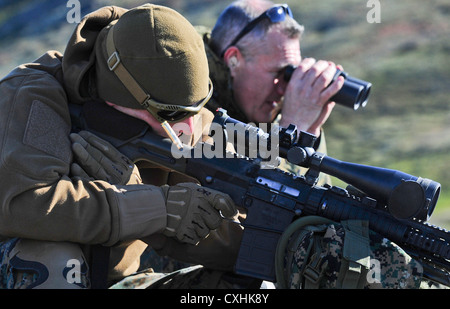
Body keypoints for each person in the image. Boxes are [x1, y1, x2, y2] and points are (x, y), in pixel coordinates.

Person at [0, 4, 246, 289]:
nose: (189, 130)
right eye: (169, 114)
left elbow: (233, 245)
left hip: (123, 281)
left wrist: (171, 216)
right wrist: (153, 207)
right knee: (52, 261)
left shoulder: (185, 116)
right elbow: (25, 204)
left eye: (197, 109)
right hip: (26, 272)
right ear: (119, 98)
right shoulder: (32, 93)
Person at [199, 0, 344, 182]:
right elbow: (245, 196)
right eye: (278, 72)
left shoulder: (263, 115)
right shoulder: (189, 108)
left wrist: (310, 135)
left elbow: (309, 206)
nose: (284, 88)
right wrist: (292, 126)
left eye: (290, 74)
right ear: (234, 60)